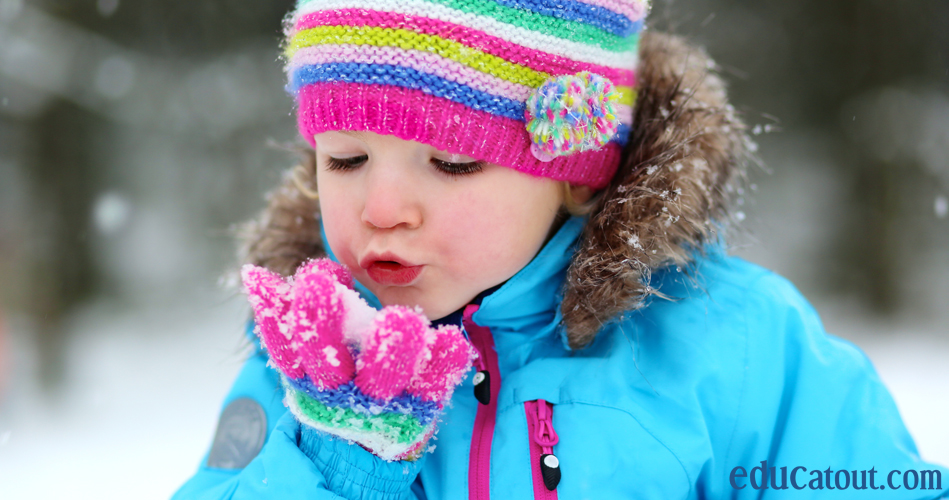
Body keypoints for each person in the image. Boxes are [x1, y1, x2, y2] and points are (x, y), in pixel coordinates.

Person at [174, 0, 949, 498]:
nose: (381, 209)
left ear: (576, 175)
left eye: (451, 162)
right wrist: (338, 466)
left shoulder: (738, 350)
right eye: (344, 159)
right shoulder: (314, 365)